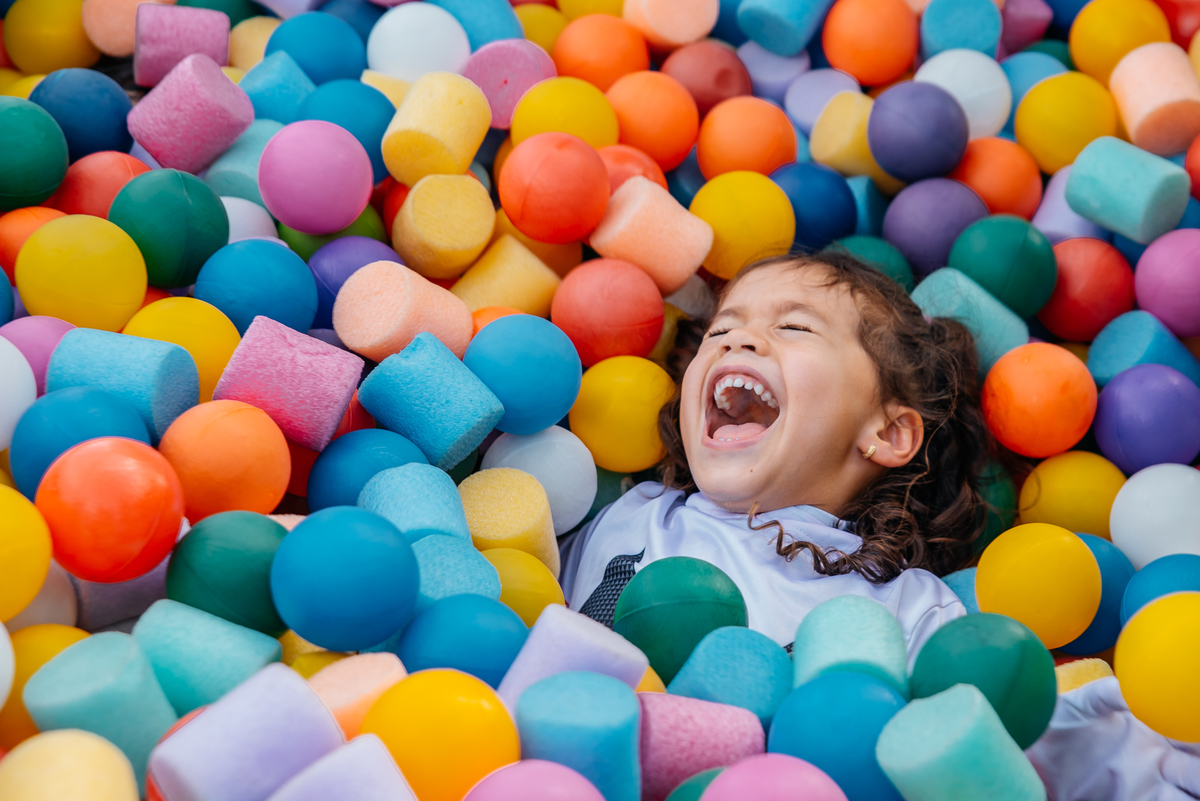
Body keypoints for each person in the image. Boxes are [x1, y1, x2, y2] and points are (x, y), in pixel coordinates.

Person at [558, 251, 1200, 800]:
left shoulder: (905, 608)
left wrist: (1113, 746)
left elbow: (987, 734)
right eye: (722, 330)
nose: (738, 340)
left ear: (888, 433)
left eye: (794, 327)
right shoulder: (624, 510)